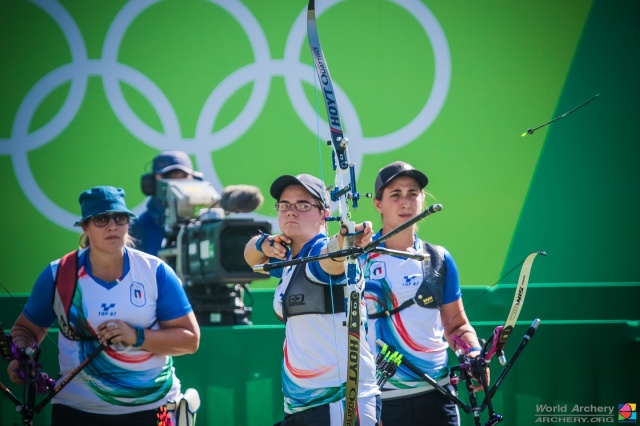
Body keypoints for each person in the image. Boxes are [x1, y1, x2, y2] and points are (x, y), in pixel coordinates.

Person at [7, 186, 200, 426]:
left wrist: (137, 336)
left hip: (155, 407)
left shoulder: (155, 271)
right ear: (85, 227)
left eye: (120, 218)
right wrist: (22, 358)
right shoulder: (58, 274)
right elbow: (25, 330)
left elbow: (190, 340)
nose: (112, 226)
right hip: (76, 410)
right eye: (101, 219)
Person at [244, 173, 381, 426]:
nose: (291, 212)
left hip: (340, 402)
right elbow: (250, 256)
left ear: (324, 213)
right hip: (303, 405)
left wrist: (347, 240)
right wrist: (263, 243)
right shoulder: (288, 258)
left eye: (303, 205)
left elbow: (333, 256)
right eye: (284, 205)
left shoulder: (318, 254)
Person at [360, 161, 487, 426]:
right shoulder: (357, 261)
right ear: (378, 204)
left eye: (413, 193)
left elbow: (457, 326)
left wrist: (474, 355)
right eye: (395, 194)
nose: (405, 202)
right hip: (379, 401)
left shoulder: (437, 258)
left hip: (437, 396)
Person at [130, 150, 198, 256]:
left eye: (182, 177)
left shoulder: (205, 223)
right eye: (168, 177)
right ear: (151, 183)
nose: (176, 185)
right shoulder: (137, 228)